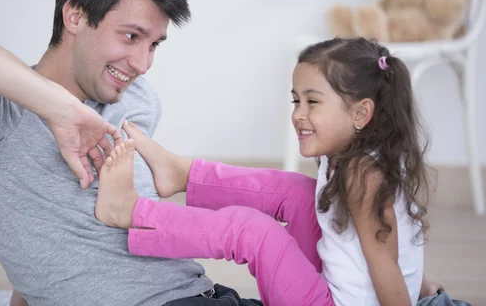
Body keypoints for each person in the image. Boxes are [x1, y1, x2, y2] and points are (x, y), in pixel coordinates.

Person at [0, 0, 243, 306]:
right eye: (131, 36)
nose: (143, 64)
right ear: (76, 16)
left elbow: (60, 243)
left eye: (154, 45)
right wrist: (60, 109)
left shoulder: (138, 103)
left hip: (205, 294)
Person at [95, 37, 442, 306]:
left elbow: (385, 264)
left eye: (313, 101)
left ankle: (132, 212)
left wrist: (415, 294)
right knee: (300, 194)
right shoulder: (354, 156)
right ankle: (181, 174)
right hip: (329, 292)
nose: (298, 114)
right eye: (296, 100)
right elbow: (390, 246)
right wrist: (423, 285)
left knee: (255, 232)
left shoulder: (364, 175)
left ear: (360, 113)